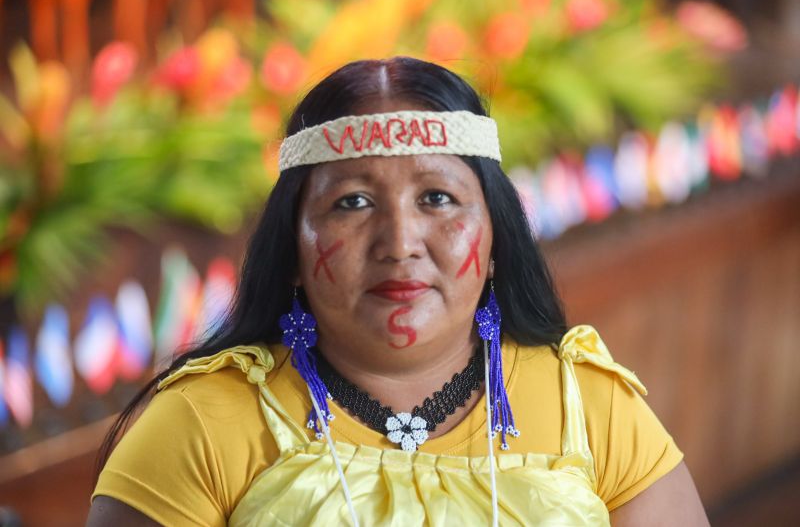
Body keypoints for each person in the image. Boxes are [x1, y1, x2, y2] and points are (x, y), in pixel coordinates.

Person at [87, 57, 709, 526]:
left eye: (437, 198)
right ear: (293, 249)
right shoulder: (197, 424)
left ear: (496, 235)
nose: (400, 242)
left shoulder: (590, 407)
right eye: (352, 203)